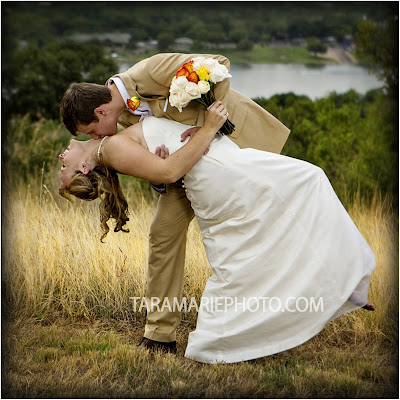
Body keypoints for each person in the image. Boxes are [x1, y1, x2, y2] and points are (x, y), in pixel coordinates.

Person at [58, 101, 376, 364]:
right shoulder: (110, 149)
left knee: (294, 197)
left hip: (224, 158)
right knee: (297, 192)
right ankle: (219, 340)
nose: (61, 157)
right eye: (64, 168)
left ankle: (340, 280)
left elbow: (161, 163)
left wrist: (174, 150)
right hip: (217, 171)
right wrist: (209, 128)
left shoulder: (112, 136)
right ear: (84, 169)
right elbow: (170, 171)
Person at [60, 52, 291, 353]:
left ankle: (271, 326)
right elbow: (157, 167)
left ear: (102, 111)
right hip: (185, 173)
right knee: (162, 235)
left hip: (236, 142)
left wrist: (212, 124)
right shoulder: (123, 118)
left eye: (91, 131)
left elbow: (218, 65)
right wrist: (161, 169)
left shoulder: (151, 71)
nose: (94, 137)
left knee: (259, 231)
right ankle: (159, 335)